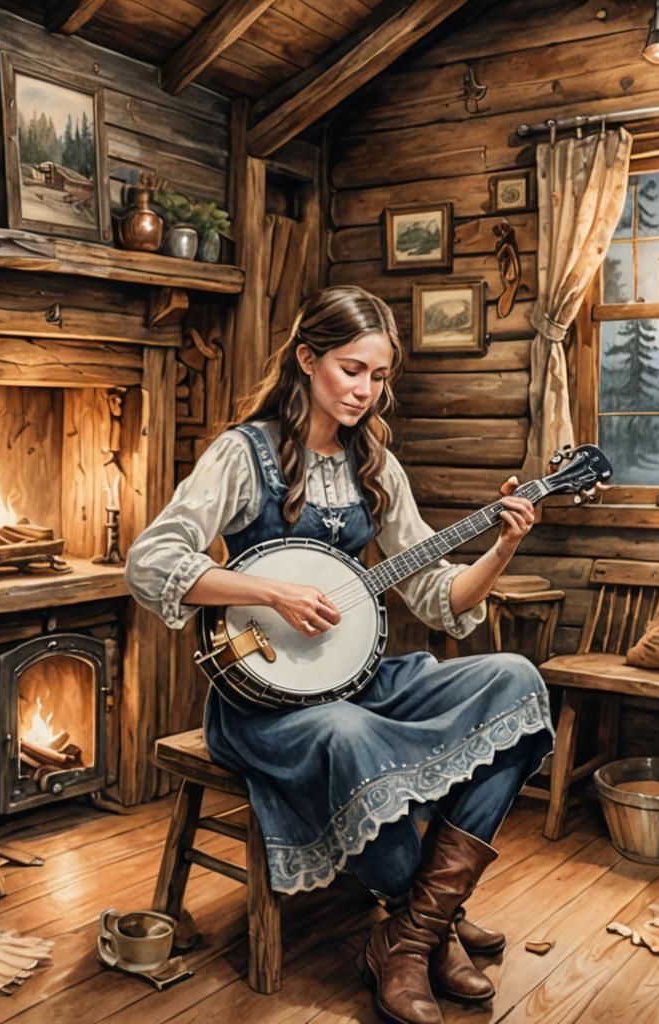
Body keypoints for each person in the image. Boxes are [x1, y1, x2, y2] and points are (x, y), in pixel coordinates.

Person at [125, 285, 554, 1024]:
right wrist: (272, 591)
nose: (364, 390)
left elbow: (434, 595)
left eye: (379, 376)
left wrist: (504, 545)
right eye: (352, 369)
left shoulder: (376, 466)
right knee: (348, 734)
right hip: (264, 702)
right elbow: (150, 560)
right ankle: (428, 928)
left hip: (356, 682)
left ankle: (413, 933)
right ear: (306, 359)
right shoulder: (244, 453)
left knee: (514, 681)